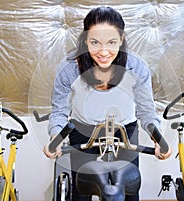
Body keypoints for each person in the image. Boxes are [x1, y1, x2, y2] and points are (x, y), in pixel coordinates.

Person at [43, 6, 172, 201]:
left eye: (111, 42)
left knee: (128, 190)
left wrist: (158, 138)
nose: (103, 52)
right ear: (85, 40)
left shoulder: (136, 67)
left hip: (124, 132)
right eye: (95, 42)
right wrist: (56, 137)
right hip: (83, 130)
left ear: (121, 40)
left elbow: (146, 112)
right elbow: (60, 110)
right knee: (81, 192)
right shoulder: (70, 67)